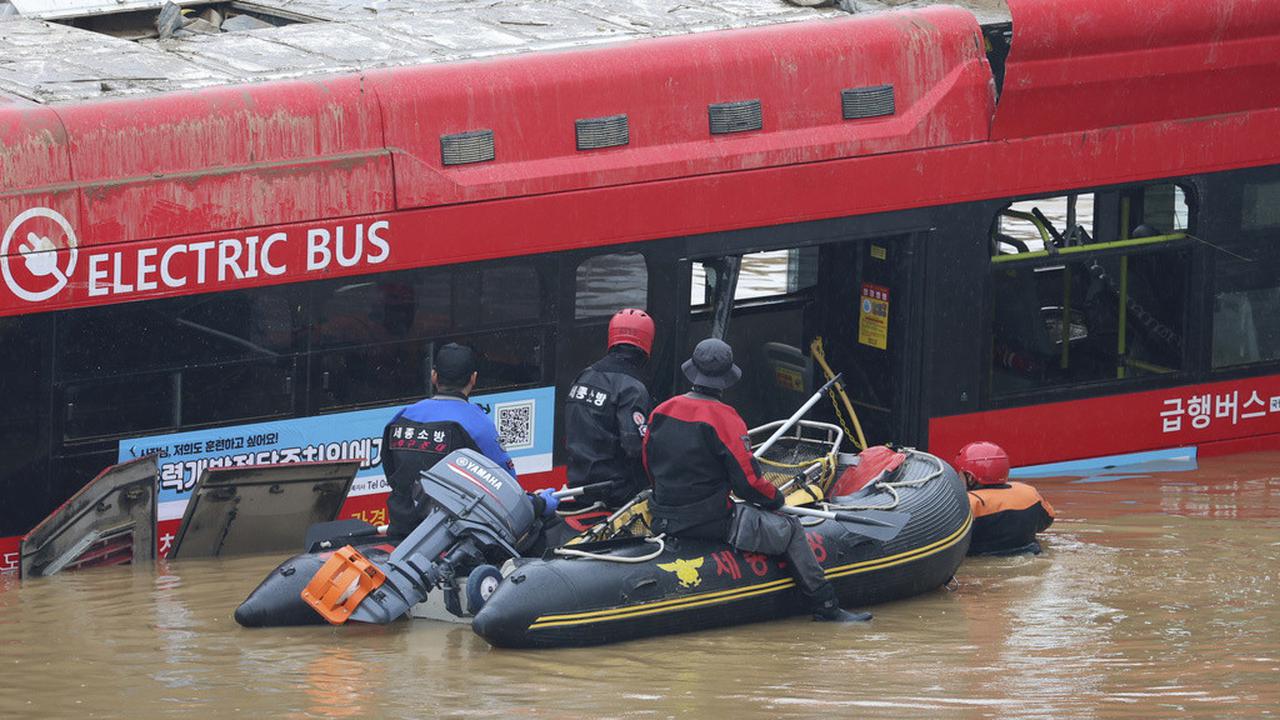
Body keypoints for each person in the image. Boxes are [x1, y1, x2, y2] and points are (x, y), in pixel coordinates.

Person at [643, 337, 871, 622]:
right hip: (710, 520)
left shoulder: (660, 411)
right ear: (726, 379)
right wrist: (774, 499)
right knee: (790, 529)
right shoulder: (726, 419)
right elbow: (748, 484)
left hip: (663, 515)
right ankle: (825, 605)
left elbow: (649, 466)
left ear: (693, 371)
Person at [382, 343, 557, 539]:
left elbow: (393, 474)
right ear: (473, 379)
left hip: (400, 534)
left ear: (434, 376)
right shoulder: (477, 424)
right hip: (450, 543)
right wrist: (539, 503)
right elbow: (509, 496)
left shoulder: (402, 417)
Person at [564, 308, 656, 509]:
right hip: (616, 491)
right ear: (647, 344)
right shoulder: (632, 388)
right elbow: (635, 447)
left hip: (578, 483)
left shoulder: (585, 376)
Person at [956, 441, 1056, 555]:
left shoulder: (965, 504)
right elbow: (1046, 522)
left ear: (970, 477)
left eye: (960, 475)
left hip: (982, 563)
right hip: (1030, 554)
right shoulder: (1029, 494)